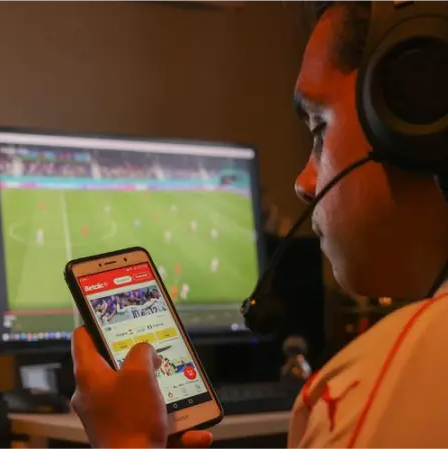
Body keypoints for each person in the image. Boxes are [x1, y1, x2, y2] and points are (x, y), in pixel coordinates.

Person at [71, 1, 448, 448]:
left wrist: (126, 440)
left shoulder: (377, 391)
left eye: (318, 128)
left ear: (416, 117)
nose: (304, 183)